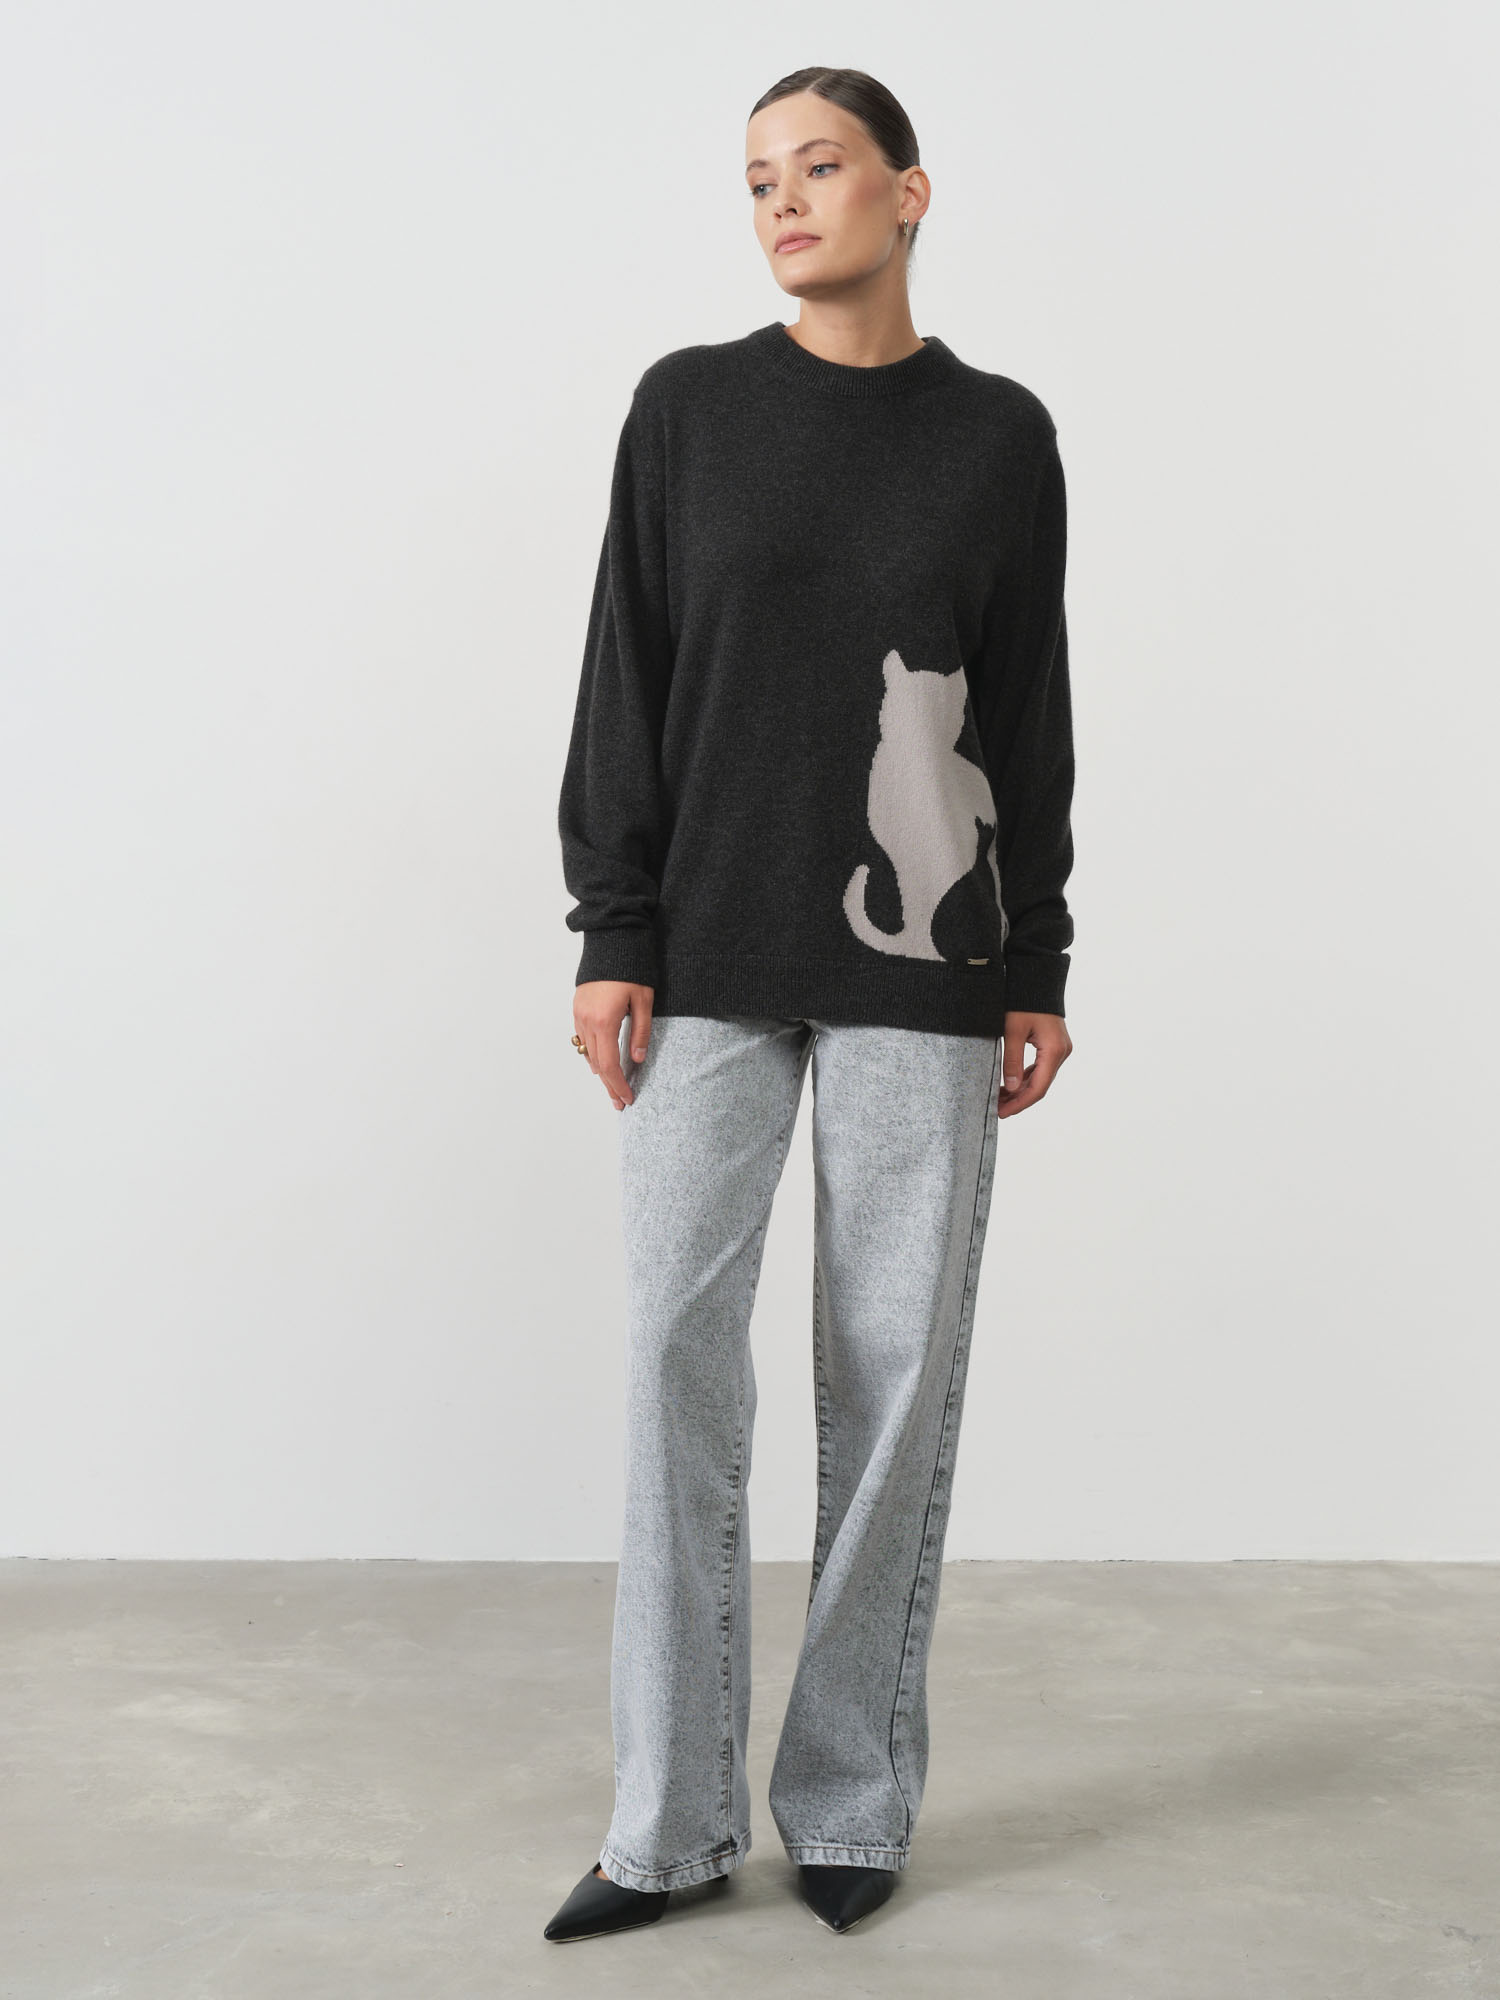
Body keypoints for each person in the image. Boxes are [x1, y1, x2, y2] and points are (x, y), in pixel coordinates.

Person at [544, 64, 1076, 1945]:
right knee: (673, 1364)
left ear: (909, 192)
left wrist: (1040, 954)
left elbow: (1027, 710)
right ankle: (667, 1826)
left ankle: (849, 1801)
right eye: (758, 177)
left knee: (893, 1375)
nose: (782, 200)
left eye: (820, 166)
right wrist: (613, 925)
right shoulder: (688, 411)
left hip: (930, 965)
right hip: (703, 954)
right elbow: (627, 668)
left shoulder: (1000, 438)